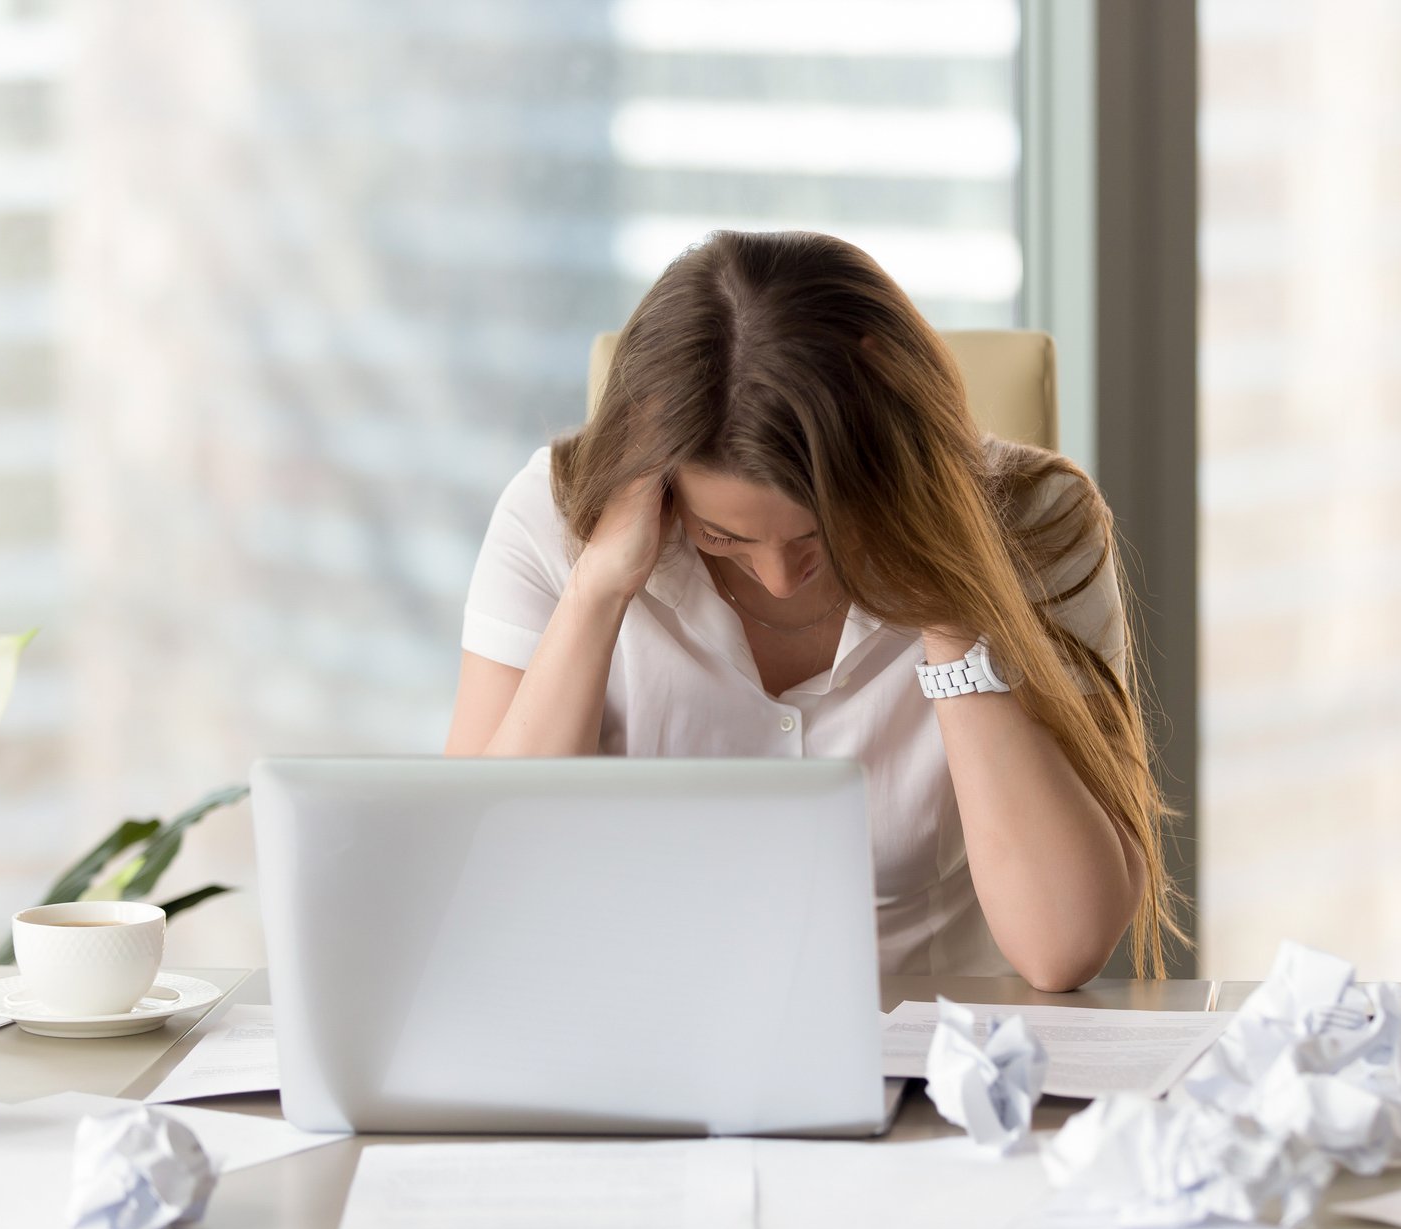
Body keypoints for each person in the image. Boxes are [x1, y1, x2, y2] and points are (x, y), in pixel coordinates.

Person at [445, 230, 1177, 990]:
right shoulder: (551, 520)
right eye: (724, 536)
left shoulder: (1041, 523)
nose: (780, 577)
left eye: (818, 533)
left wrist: (952, 597)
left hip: (936, 1069)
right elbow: (479, 889)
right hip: (632, 1051)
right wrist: (597, 589)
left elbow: (1063, 945)